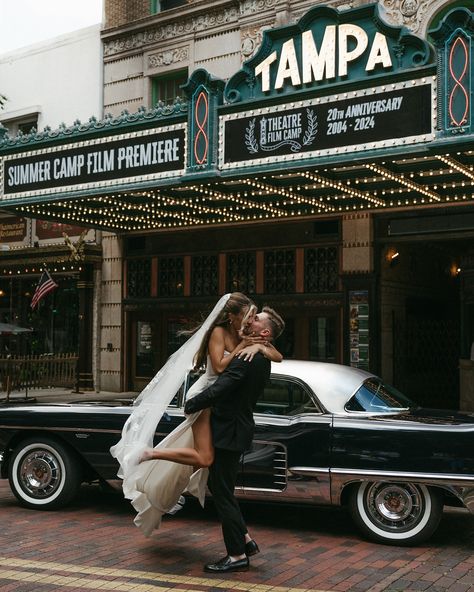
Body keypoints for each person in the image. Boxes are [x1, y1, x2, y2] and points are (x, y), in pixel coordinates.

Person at [110, 293, 282, 536]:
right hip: (203, 396)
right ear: (232, 317)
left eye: (254, 317)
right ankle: (148, 453)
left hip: (216, 399)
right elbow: (220, 367)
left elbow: (278, 355)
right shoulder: (219, 333)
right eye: (248, 315)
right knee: (204, 459)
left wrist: (255, 345)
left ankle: (239, 534)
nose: (251, 320)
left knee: (207, 463)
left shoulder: (244, 335)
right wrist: (243, 347)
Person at [184, 307, 285, 573]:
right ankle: (245, 541)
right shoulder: (258, 355)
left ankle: (237, 555)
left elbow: (222, 387)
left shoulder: (248, 359)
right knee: (223, 490)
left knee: (223, 494)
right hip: (236, 429)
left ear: (264, 333)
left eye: (256, 319)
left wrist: (192, 403)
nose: (250, 320)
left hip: (229, 431)